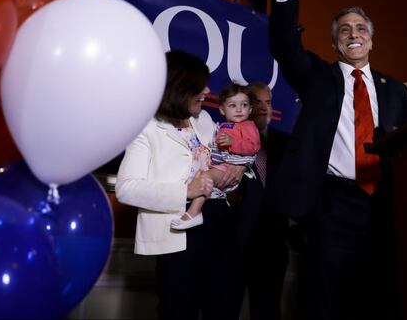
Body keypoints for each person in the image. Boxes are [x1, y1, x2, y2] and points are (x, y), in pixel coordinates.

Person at [265, 0, 407, 320]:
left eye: (360, 28)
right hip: (331, 204)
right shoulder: (318, 76)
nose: (353, 33)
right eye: (344, 29)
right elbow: (282, 42)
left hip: (383, 206)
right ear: (334, 42)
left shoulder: (397, 91)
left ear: (371, 39)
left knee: (377, 299)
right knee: (324, 303)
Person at [115, 50, 246, 320]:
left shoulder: (205, 120)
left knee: (224, 307)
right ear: (179, 88)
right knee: (179, 309)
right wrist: (187, 190)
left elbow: (218, 166)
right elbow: (126, 188)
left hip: (221, 223)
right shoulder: (146, 128)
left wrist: (233, 173)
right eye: (200, 86)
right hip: (179, 231)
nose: (207, 91)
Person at [235, 82, 291, 320]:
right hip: (234, 246)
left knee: (267, 310)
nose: (263, 108)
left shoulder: (286, 143)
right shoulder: (226, 137)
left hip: (273, 246)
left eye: (267, 102)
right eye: (256, 102)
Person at [171, 83, 260, 230]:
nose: (239, 109)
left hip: (226, 168)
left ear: (250, 109)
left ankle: (194, 213)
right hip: (218, 168)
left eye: (244, 105)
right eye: (233, 105)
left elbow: (253, 146)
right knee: (203, 182)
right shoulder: (222, 125)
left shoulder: (248, 126)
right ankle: (194, 212)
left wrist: (233, 143)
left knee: (205, 178)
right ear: (222, 110)